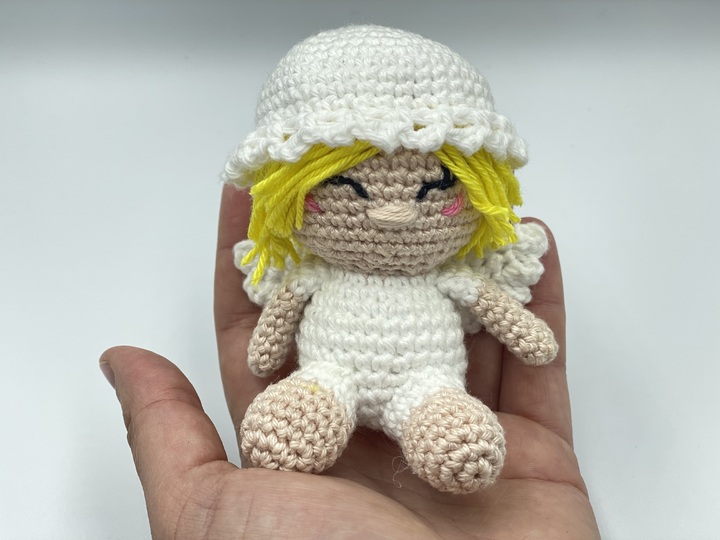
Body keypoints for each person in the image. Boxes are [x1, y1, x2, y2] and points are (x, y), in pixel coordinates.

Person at [99, 185, 600, 538]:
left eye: (431, 191)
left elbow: (496, 308)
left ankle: (444, 424)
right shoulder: (316, 275)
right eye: (351, 189)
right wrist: (266, 349)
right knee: (309, 401)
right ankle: (310, 410)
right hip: (330, 374)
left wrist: (528, 336)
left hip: (425, 381)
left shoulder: (448, 278)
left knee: (451, 429)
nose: (392, 211)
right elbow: (278, 319)